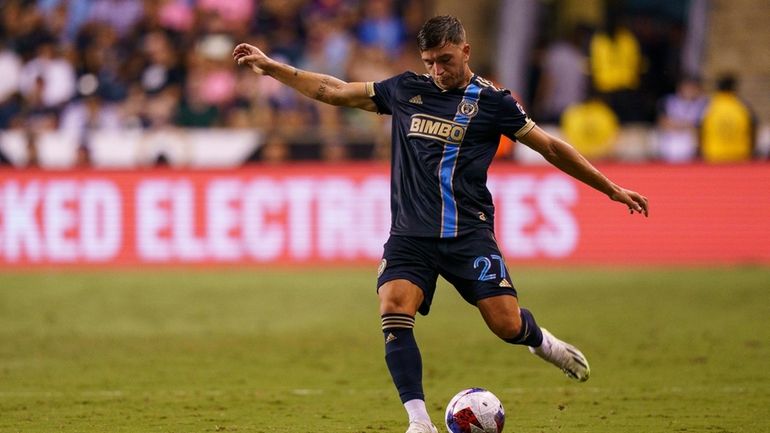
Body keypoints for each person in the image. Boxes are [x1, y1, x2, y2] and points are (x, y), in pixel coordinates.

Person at [234, 15, 649, 433]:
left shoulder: (494, 102)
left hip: (467, 234)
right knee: (394, 306)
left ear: (465, 51)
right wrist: (274, 69)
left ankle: (543, 343)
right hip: (410, 235)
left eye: (445, 60)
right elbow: (336, 90)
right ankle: (419, 422)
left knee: (505, 324)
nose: (438, 71)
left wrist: (610, 188)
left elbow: (552, 148)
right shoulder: (405, 89)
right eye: (430, 61)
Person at [698, 74, 756, 163]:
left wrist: (700, 150)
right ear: (735, 88)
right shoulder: (742, 106)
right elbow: (754, 127)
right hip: (739, 154)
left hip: (714, 154)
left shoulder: (709, 106)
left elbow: (699, 128)